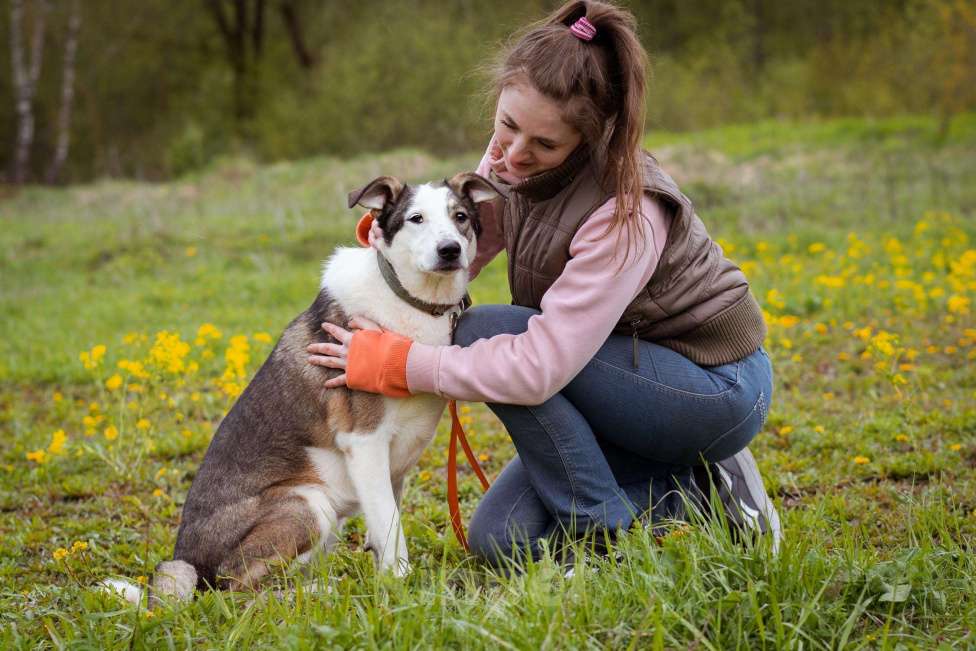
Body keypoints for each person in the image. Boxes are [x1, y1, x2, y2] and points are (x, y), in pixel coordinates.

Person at [307, 0, 782, 569]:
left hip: (706, 388)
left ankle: (616, 519)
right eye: (506, 126)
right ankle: (696, 492)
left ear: (590, 138)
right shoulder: (516, 152)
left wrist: (403, 365)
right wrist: (395, 251)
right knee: (503, 540)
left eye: (543, 146)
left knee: (483, 328)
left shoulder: (627, 211)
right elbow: (468, 244)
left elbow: (538, 369)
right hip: (613, 374)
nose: (510, 155)